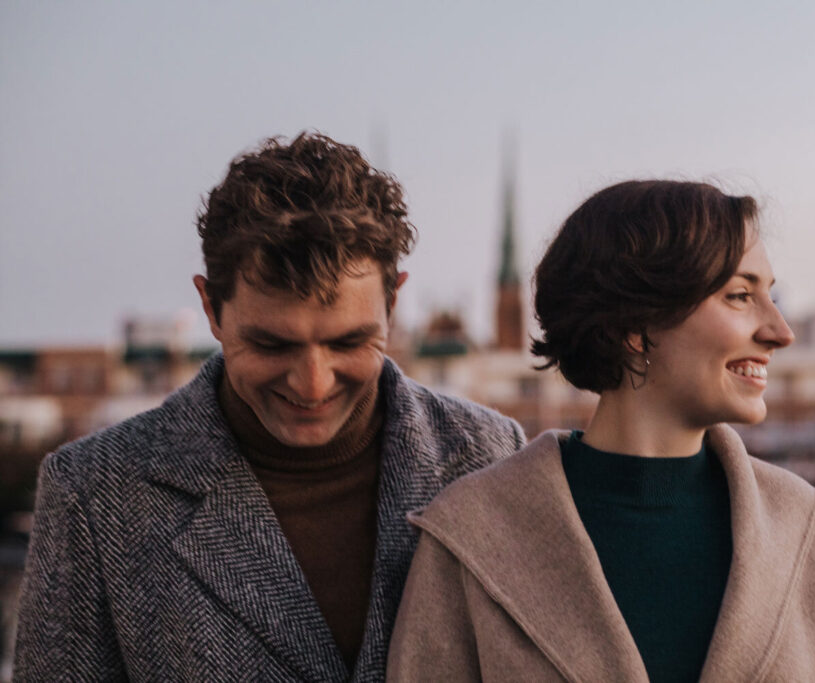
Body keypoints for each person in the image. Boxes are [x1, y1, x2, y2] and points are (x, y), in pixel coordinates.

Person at [15, 132, 526, 682]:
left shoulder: (493, 458)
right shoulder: (94, 494)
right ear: (211, 307)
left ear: (393, 304)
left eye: (348, 343)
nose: (312, 384)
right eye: (272, 345)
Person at [387, 180, 815, 681]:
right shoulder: (468, 541)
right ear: (632, 325)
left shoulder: (812, 536)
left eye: (770, 296)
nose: (781, 331)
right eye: (740, 295)